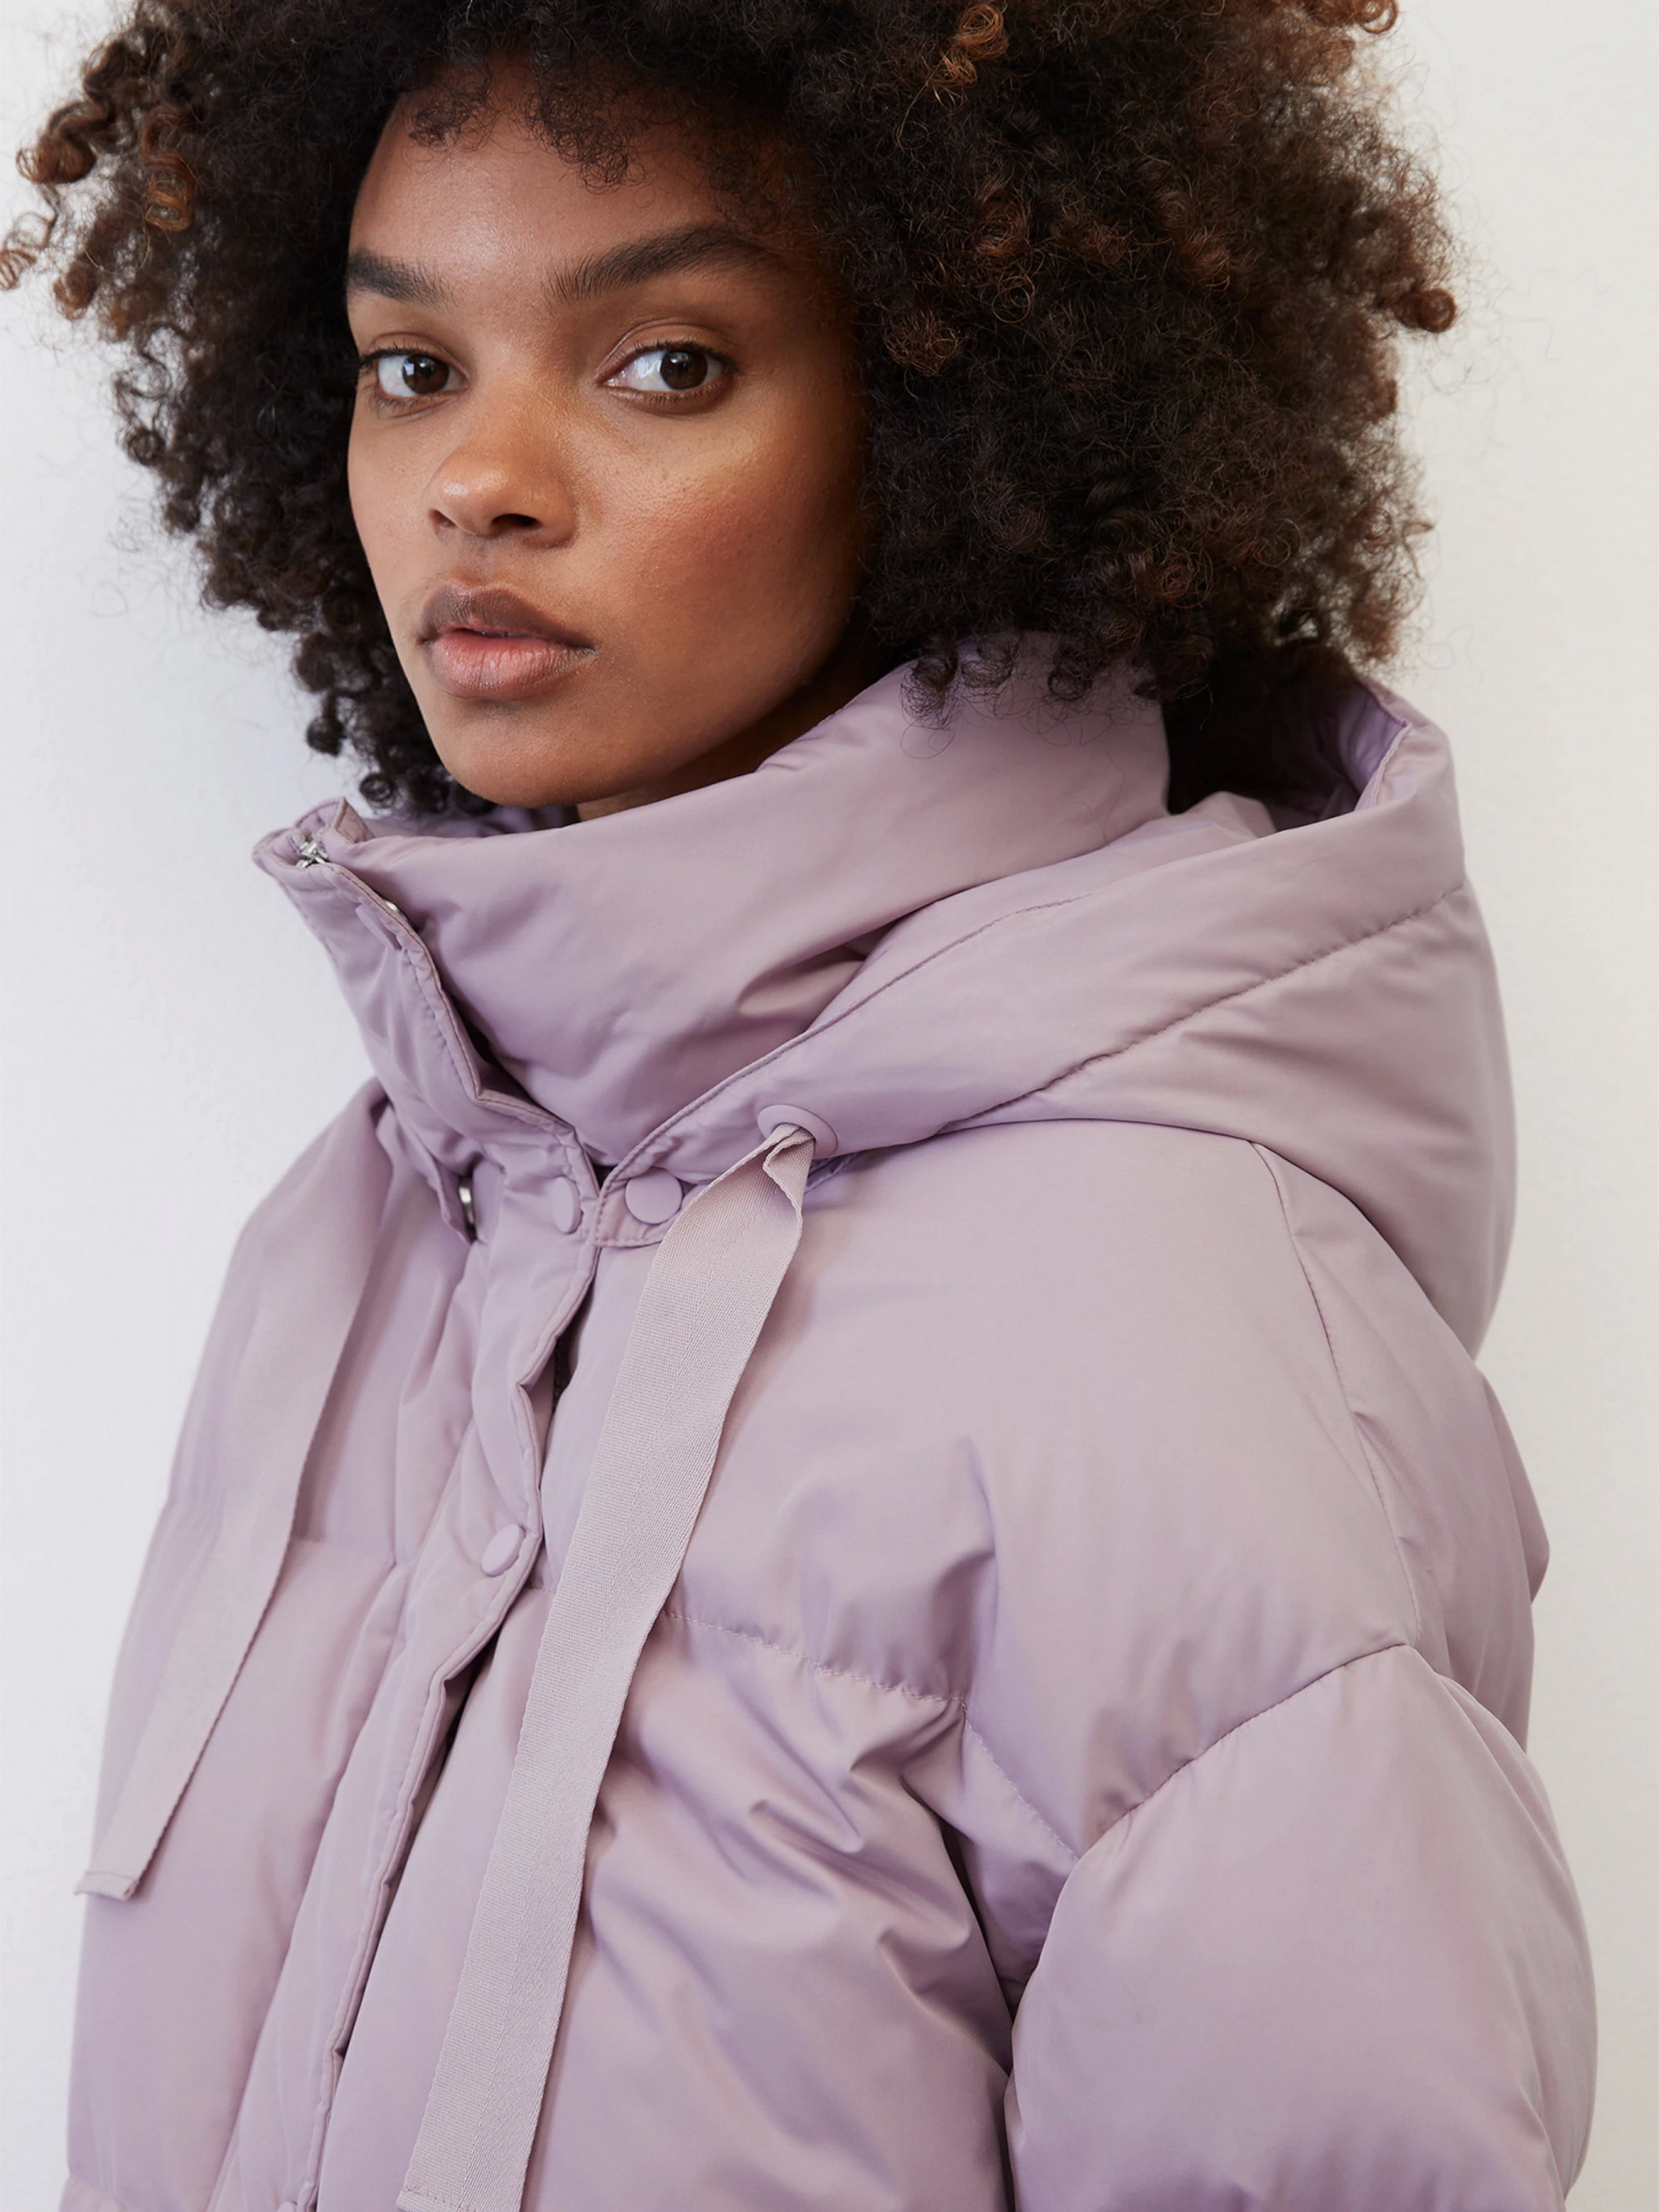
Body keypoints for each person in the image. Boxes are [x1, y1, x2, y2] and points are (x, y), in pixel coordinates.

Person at [5, 4, 1596, 2209]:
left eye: (666, 362)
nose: (478, 479)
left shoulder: (1164, 1326)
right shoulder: (372, 1227)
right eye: (412, 365)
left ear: (946, 419)